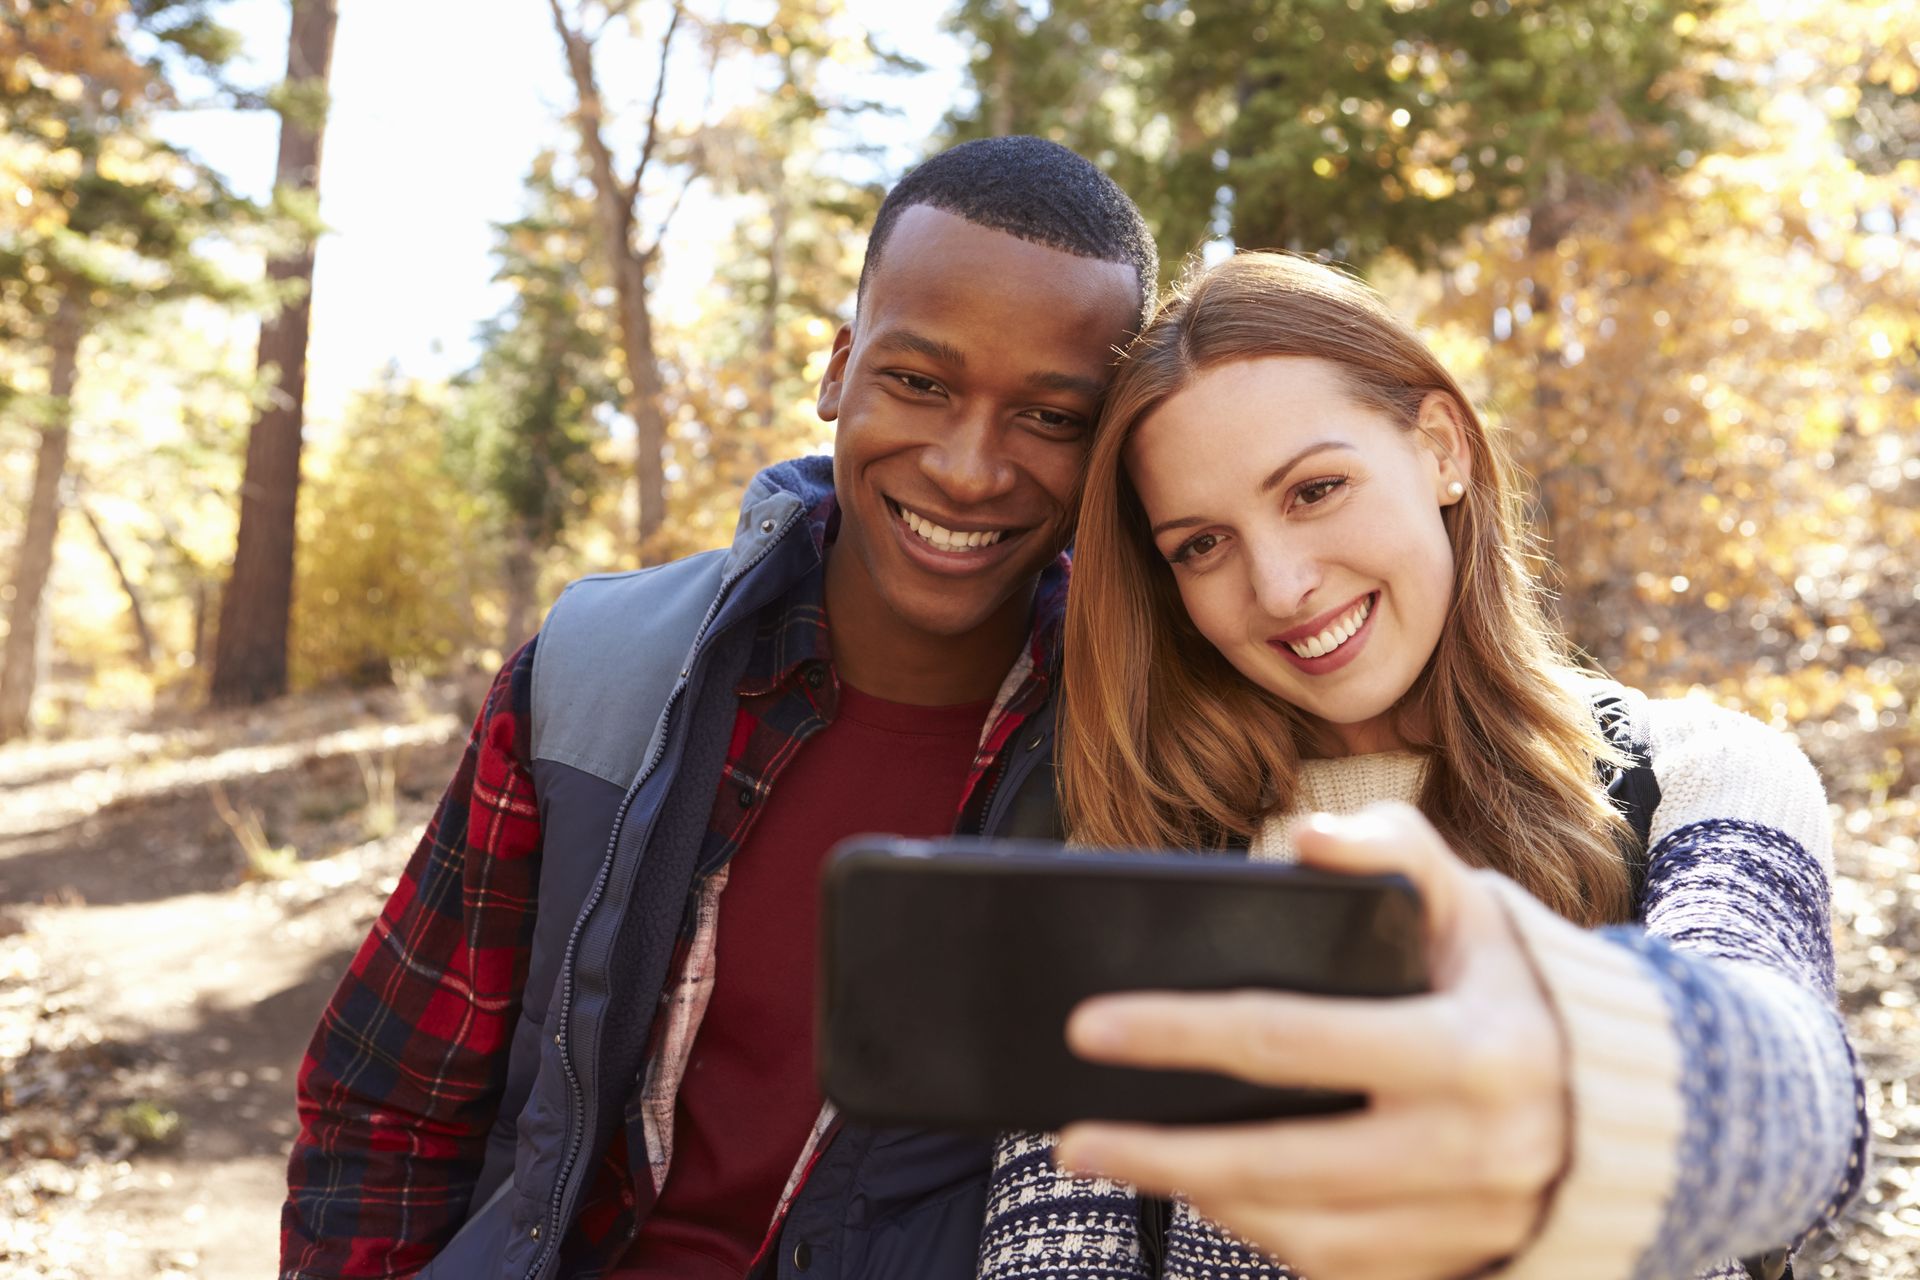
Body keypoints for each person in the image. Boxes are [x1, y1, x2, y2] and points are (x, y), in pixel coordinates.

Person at [279, 135, 1158, 1280]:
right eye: (919, 382)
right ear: (840, 368)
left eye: (1051, 416)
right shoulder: (599, 671)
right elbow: (387, 1104)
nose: (969, 467)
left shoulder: (1151, 755)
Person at [977, 252, 1866, 1280]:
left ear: (1440, 448)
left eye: (1314, 489)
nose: (1280, 584)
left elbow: (1805, 1098)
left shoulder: (1703, 775)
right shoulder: (1131, 858)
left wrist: (1588, 1083)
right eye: (1202, 544)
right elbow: (1055, 1254)